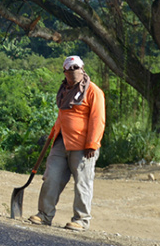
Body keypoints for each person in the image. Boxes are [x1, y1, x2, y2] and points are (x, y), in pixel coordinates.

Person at [28, 55, 106, 231]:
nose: (73, 72)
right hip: (61, 142)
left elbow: (98, 119)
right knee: (51, 177)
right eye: (69, 69)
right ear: (64, 72)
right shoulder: (63, 90)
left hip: (84, 146)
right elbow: (63, 116)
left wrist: (92, 144)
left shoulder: (93, 91)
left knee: (82, 184)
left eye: (76, 68)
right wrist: (53, 135)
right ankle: (44, 215)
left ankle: (81, 219)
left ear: (82, 68)